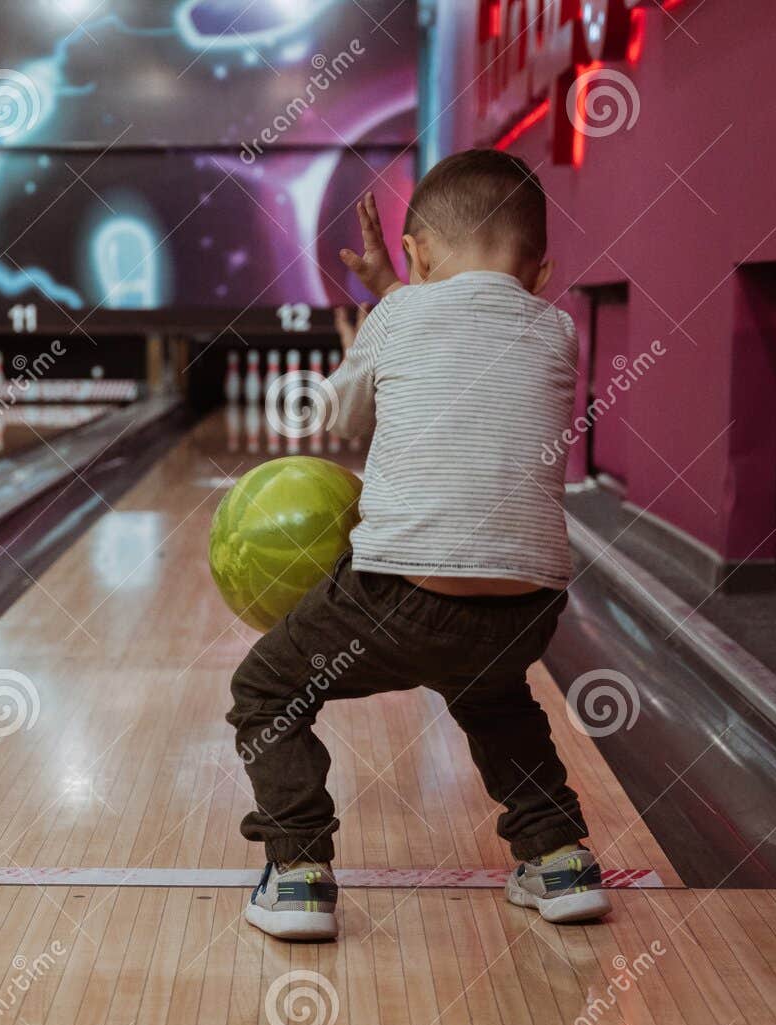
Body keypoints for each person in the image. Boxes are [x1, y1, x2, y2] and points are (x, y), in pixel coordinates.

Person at [229, 148, 611, 941]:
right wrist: (400, 292)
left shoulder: (397, 314)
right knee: (491, 691)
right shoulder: (557, 328)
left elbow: (334, 416)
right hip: (530, 605)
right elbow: (475, 325)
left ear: (418, 252)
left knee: (266, 690)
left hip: (399, 594)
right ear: (542, 272)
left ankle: (298, 871)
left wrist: (376, 312)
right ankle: (561, 858)